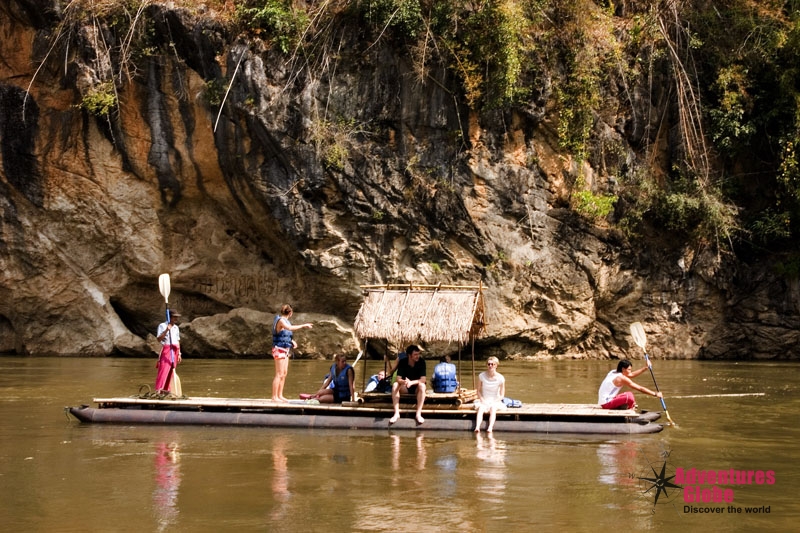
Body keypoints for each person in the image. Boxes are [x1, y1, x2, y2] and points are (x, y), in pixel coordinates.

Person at [271, 304, 312, 402]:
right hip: (279, 349)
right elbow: (289, 328)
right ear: (290, 313)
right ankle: (274, 397)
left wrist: (291, 341)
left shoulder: (285, 321)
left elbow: (285, 333)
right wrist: (303, 325)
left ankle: (280, 395)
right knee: (279, 373)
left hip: (285, 349)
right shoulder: (281, 320)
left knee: (284, 373)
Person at [598, 359, 663, 410]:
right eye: (629, 369)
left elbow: (631, 375)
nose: (630, 371)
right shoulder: (621, 378)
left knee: (629, 393)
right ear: (623, 369)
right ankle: (630, 410)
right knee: (629, 398)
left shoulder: (613, 371)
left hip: (606, 400)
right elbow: (640, 388)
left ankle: (624, 407)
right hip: (606, 403)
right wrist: (655, 394)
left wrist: (645, 368)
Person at [389, 345, 426, 425]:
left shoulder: (421, 362)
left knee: (422, 386)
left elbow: (423, 379)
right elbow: (398, 379)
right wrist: (405, 382)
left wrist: (411, 382)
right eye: (415, 355)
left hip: (416, 388)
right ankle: (396, 413)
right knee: (395, 385)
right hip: (405, 387)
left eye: (418, 354)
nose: (417, 356)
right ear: (409, 355)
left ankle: (418, 414)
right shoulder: (403, 362)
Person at [474, 356, 505, 433]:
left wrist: (494, 402)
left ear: (496, 365)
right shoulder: (481, 376)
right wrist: (482, 400)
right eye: (489, 364)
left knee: (493, 408)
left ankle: (490, 427)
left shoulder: (501, 378)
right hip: (484, 399)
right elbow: (478, 391)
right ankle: (477, 427)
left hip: (495, 400)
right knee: (481, 408)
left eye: (492, 364)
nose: (490, 366)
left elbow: (502, 395)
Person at [155, 310, 181, 394]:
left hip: (175, 350)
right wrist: (167, 329)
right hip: (167, 349)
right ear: (169, 317)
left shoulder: (176, 327)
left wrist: (179, 354)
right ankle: (159, 390)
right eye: (174, 317)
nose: (176, 318)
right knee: (163, 370)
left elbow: (177, 340)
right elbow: (159, 339)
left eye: (177, 317)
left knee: (171, 371)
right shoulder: (162, 325)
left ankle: (167, 390)